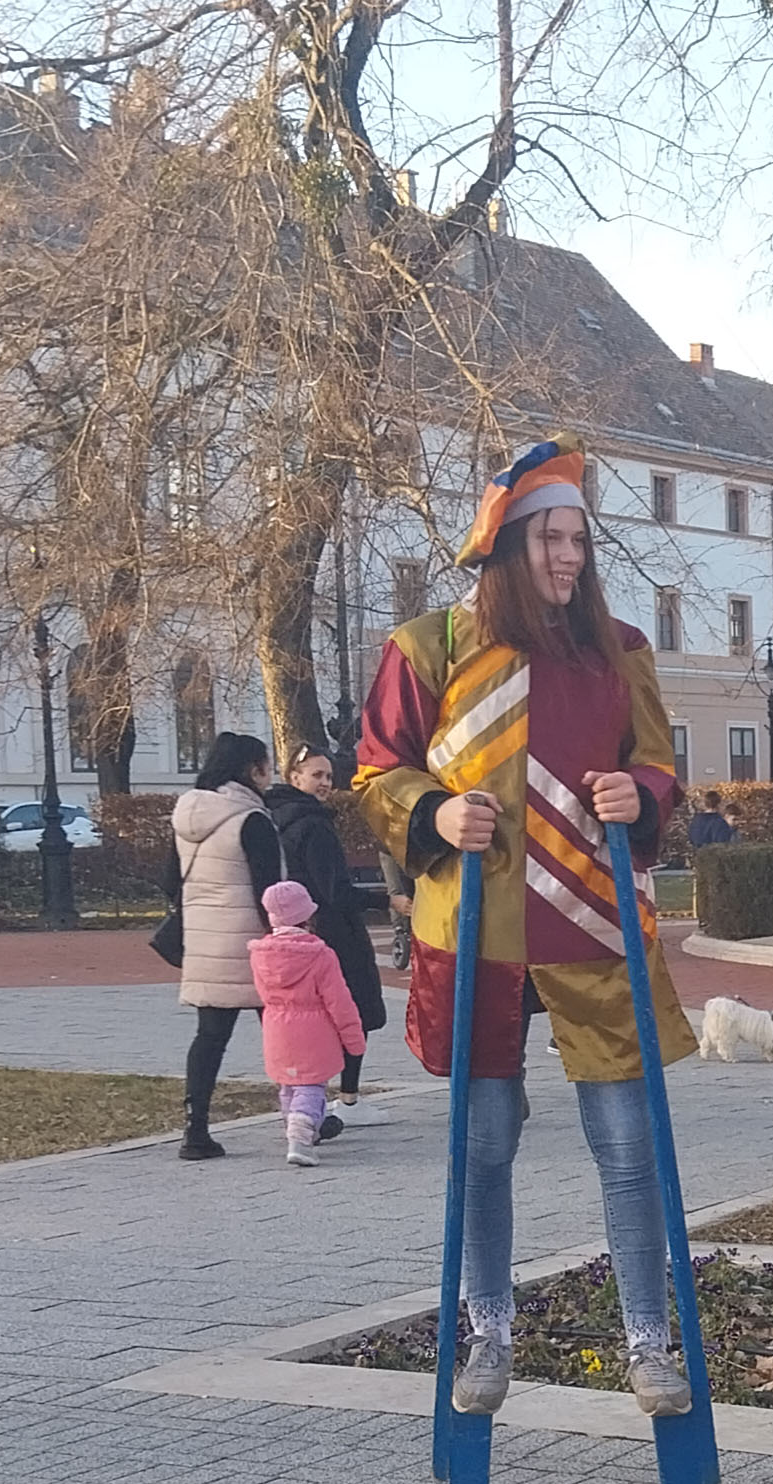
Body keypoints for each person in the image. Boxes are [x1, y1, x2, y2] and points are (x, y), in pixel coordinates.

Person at [356, 438, 699, 1419]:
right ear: (507, 545)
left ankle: (648, 1341)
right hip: (476, 932)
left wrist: (641, 793)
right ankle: (488, 1331)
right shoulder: (427, 647)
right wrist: (432, 813)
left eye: (578, 540)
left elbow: (656, 764)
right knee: (484, 1141)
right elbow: (378, 770)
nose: (569, 558)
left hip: (594, 925)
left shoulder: (619, 650)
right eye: (551, 539)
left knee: (627, 1143)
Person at [167, 732, 281, 1161]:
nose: (269, 775)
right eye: (266, 766)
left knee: (210, 1037)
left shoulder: (186, 815)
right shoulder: (252, 819)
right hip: (255, 945)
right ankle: (303, 1114)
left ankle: (195, 1129)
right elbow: (270, 890)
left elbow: (169, 880)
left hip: (205, 943)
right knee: (284, 1029)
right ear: (253, 770)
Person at [266, 745, 388, 1127]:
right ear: (294, 777)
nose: (325, 783)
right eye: (317, 775)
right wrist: (388, 900)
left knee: (303, 1020)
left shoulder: (275, 818)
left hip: (293, 930)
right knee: (355, 1011)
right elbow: (335, 890)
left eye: (329, 777)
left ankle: (300, 1101)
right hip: (334, 932)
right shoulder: (314, 825)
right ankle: (348, 1098)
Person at [247, 880, 367, 1167]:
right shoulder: (320, 955)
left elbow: (262, 994)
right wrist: (354, 1040)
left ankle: (295, 1125)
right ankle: (300, 1137)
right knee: (311, 1086)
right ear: (307, 916)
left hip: (276, 1029)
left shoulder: (260, 954)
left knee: (289, 1085)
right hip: (313, 1033)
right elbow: (339, 1001)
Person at [378, 849, 414, 971]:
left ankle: (410, 927)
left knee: (413, 891)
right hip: (390, 849)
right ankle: (400, 928)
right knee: (396, 890)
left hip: (414, 850)